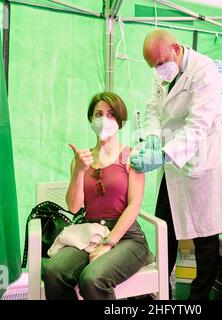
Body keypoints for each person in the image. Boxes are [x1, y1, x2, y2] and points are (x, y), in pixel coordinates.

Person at [130, 29, 222, 300]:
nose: (159, 70)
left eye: (161, 63)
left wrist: (163, 153)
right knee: (165, 228)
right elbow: (153, 108)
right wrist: (153, 137)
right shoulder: (162, 70)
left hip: (201, 163)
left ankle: (198, 299)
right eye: (154, 66)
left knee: (205, 237)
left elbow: (198, 125)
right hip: (172, 165)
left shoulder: (205, 71)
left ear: (176, 48)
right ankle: (158, 291)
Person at [42, 92, 153, 300]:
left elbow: (134, 205)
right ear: (91, 120)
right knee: (53, 272)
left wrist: (109, 242)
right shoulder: (80, 160)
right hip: (91, 232)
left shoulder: (132, 156)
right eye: (98, 114)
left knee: (93, 279)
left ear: (120, 121)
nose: (104, 120)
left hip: (127, 236)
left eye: (111, 115)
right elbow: (74, 207)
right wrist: (79, 172)